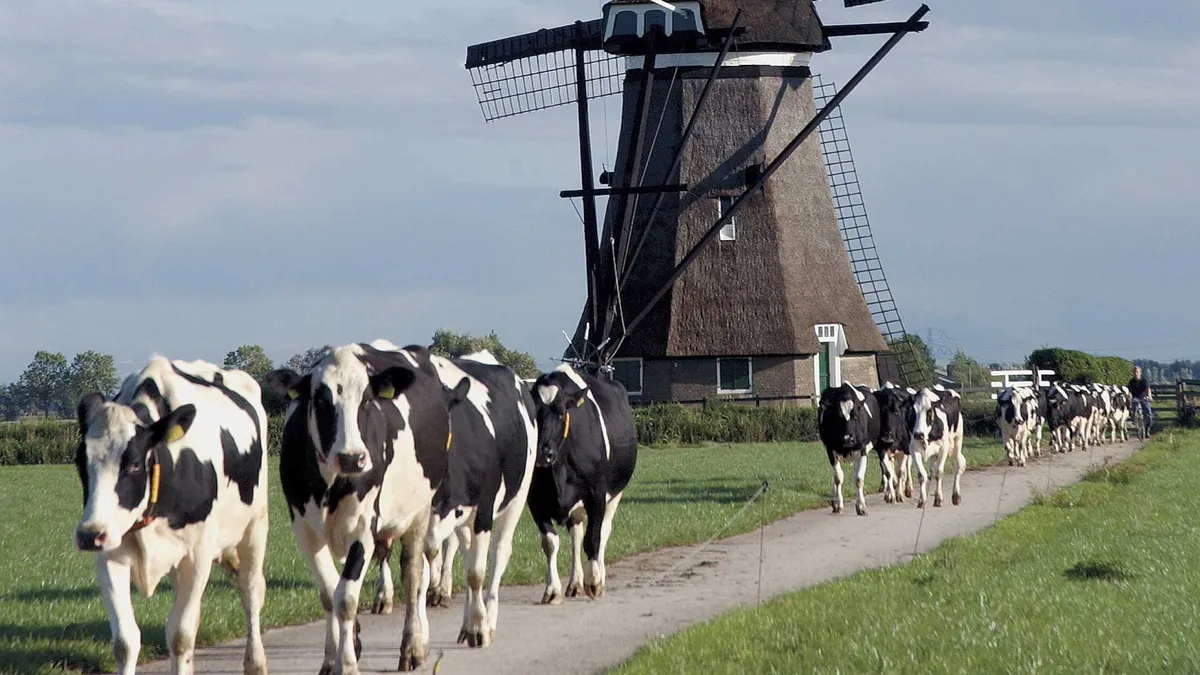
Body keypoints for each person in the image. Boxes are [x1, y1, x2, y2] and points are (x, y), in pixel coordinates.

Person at [1128, 366, 1153, 435]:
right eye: (1134, 372)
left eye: (1137, 372)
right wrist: (1130, 398)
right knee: (1134, 410)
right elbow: (1129, 391)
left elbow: (1148, 389)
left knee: (1148, 414)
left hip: (1144, 398)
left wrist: (1149, 396)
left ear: (1140, 373)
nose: (1136, 373)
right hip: (1135, 398)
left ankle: (1147, 429)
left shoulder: (1144, 380)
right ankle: (1135, 421)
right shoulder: (1131, 382)